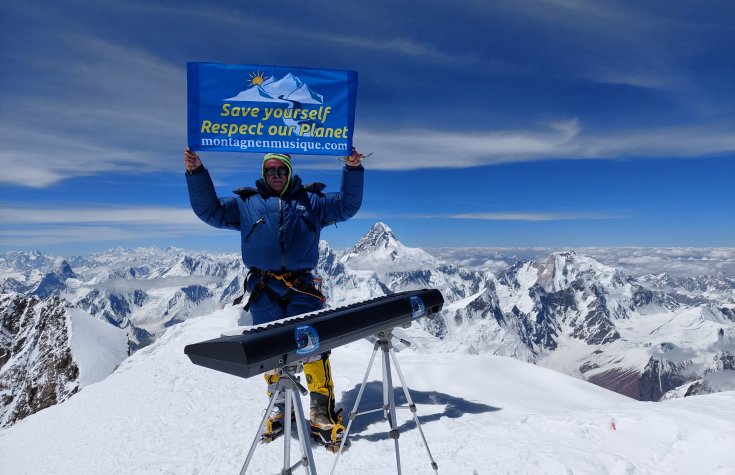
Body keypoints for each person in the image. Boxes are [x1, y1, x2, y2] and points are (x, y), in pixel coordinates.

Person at [183, 146, 365, 445]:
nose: (276, 175)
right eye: (270, 170)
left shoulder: (313, 201)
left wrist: (353, 170)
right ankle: (281, 408)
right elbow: (210, 211)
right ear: (263, 173)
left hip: (302, 287)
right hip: (264, 289)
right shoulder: (246, 204)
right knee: (270, 350)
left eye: (281, 170)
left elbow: (347, 205)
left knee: (312, 347)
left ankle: (321, 413)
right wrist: (196, 173)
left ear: (289, 171)